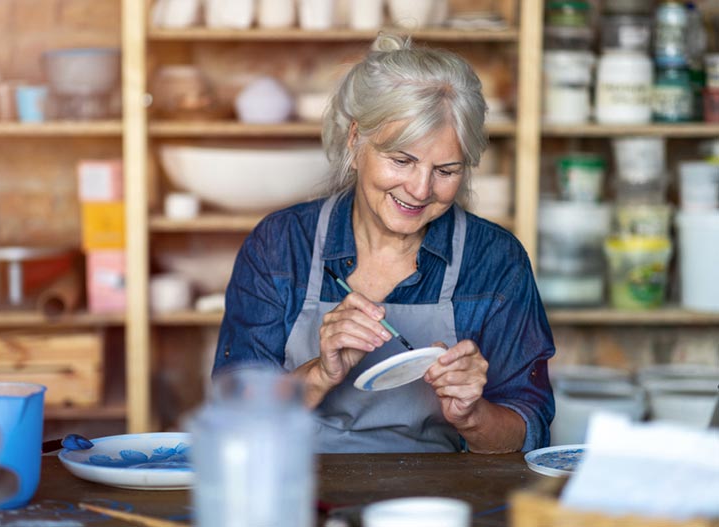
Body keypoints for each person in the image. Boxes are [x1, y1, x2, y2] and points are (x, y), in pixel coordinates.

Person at [213, 34, 555, 454]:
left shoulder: (495, 259)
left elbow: (528, 433)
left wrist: (474, 415)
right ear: (356, 141)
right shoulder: (281, 246)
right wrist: (321, 373)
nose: (420, 189)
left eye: (446, 170)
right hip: (298, 484)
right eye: (402, 160)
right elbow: (234, 418)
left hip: (434, 501)